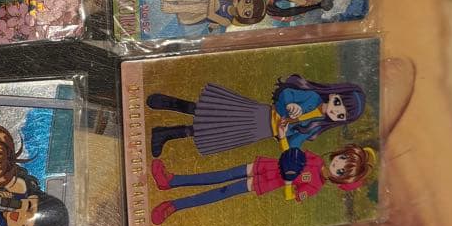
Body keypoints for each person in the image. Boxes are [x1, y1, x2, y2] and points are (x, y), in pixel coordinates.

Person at [147, 73, 366, 159]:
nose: (335, 111)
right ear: (334, 94)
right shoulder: (312, 97)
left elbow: (291, 146)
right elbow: (285, 95)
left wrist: (283, 138)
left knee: (216, 131)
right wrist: (290, 105)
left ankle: (166, 133)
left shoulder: (314, 128)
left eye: (340, 116)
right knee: (213, 112)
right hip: (256, 114)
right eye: (338, 103)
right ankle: (168, 102)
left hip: (257, 132)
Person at [150, 144, 376, 225]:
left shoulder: (315, 186)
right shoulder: (316, 159)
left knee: (222, 191)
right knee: (221, 175)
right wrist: (284, 137)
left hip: (266, 182)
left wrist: (289, 180)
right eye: (343, 159)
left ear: (339, 179)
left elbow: (295, 196)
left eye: (341, 171)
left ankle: (174, 206)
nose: (337, 164)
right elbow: (291, 153)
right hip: (264, 166)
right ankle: (172, 180)